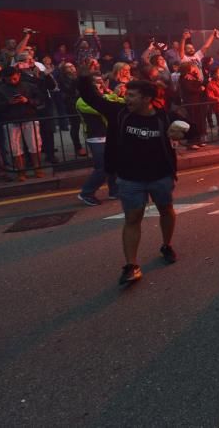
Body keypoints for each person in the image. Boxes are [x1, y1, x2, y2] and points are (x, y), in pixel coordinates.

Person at [76, 64, 187, 285]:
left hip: (160, 176)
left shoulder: (164, 117)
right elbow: (91, 98)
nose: (127, 99)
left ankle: (166, 245)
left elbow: (186, 123)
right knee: (132, 218)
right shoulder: (118, 113)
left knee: (166, 210)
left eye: (133, 96)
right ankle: (131, 265)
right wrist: (83, 77)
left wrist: (183, 130)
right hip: (130, 178)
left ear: (147, 99)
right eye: (127, 95)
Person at [0, 66, 43, 180]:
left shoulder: (29, 86)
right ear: (4, 78)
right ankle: (21, 172)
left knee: (34, 145)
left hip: (29, 117)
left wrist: (27, 100)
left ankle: (38, 168)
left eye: (14, 78)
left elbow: (40, 100)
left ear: (18, 75)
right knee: (15, 148)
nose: (12, 81)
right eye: (9, 79)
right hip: (11, 120)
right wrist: (8, 103)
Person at [76, 75, 121, 206]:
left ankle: (115, 191)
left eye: (102, 82)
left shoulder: (104, 96)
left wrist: (113, 95)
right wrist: (113, 95)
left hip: (107, 134)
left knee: (114, 164)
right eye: (97, 83)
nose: (100, 85)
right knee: (102, 168)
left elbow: (117, 102)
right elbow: (101, 108)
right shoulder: (82, 100)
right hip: (96, 137)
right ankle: (86, 193)